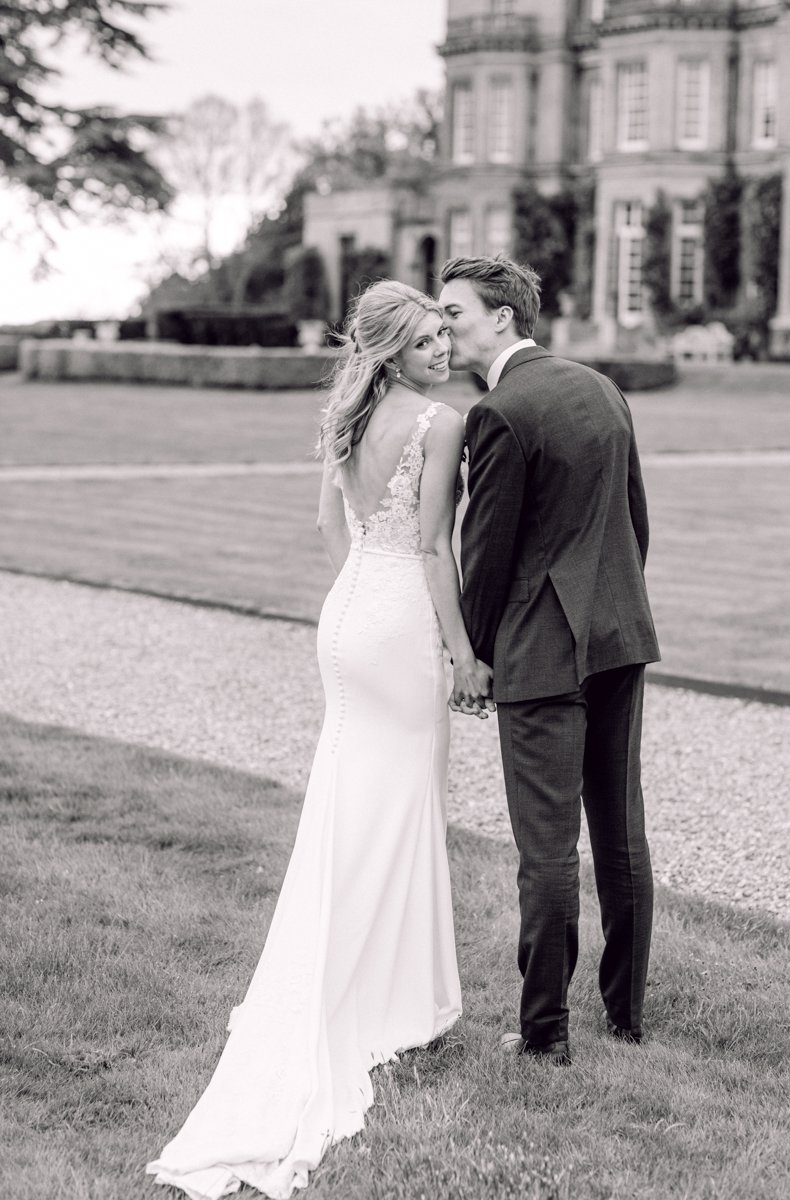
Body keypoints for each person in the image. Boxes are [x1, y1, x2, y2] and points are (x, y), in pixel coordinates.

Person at [146, 281, 490, 1200]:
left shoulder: (348, 413)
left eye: (441, 339)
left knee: (351, 803)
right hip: (398, 625)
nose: (440, 353)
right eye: (422, 343)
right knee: (402, 803)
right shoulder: (442, 423)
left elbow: (331, 525)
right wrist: (461, 652)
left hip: (345, 620)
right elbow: (431, 551)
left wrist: (361, 594)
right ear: (390, 349)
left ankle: (380, 982)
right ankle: (390, 997)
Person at [440, 255, 660, 1066]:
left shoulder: (499, 411)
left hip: (541, 653)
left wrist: (475, 656)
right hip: (619, 634)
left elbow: (485, 556)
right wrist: (615, 607)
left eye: (455, 311)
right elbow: (636, 525)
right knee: (621, 833)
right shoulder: (602, 388)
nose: (444, 325)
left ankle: (543, 1035)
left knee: (545, 850)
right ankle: (627, 1015)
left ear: (503, 317)